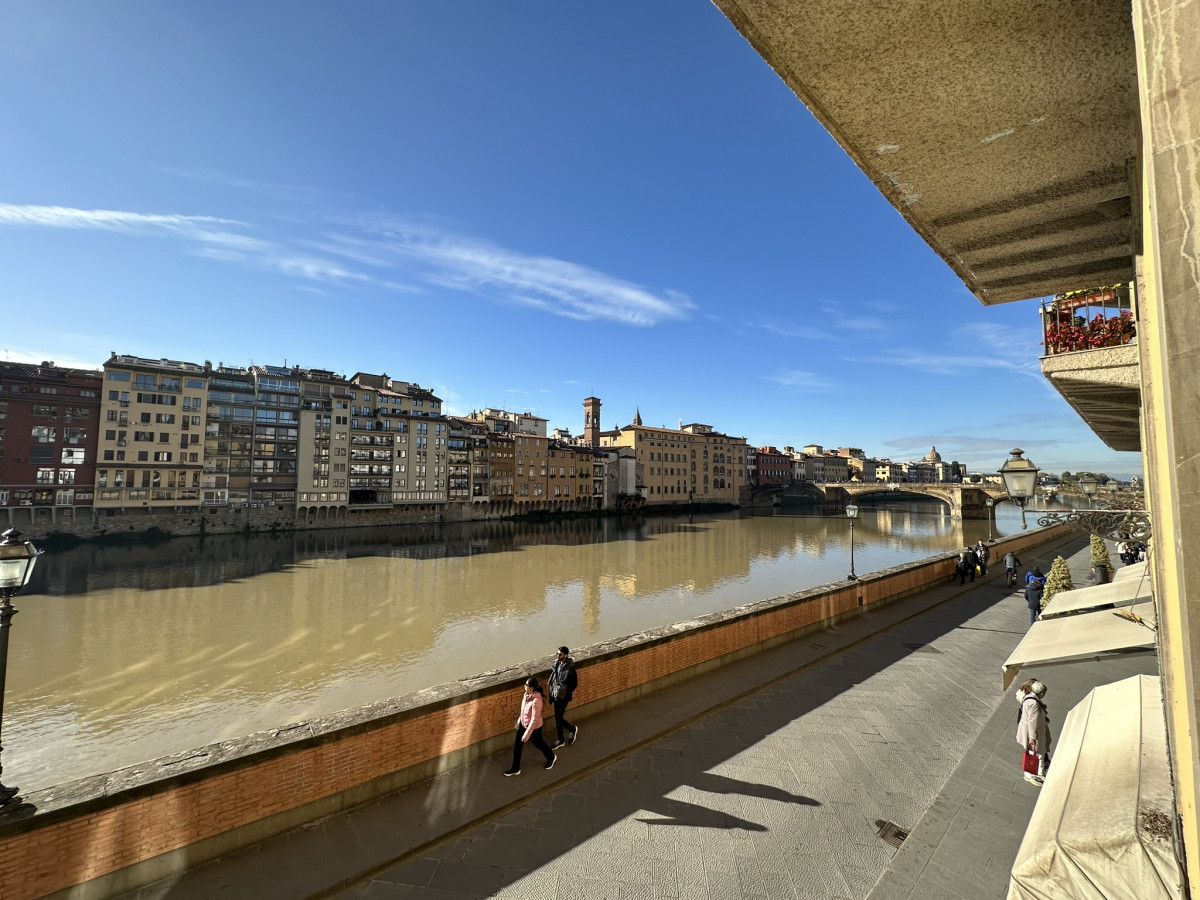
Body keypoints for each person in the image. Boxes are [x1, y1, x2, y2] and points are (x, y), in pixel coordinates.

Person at [503, 676, 556, 776]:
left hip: (534, 728)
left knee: (538, 744)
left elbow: (534, 720)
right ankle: (515, 768)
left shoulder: (537, 701)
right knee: (517, 747)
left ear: (531, 687)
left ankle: (551, 757)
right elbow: (523, 711)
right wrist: (519, 721)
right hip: (523, 725)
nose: (524, 686)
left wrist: (526, 734)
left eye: (526, 685)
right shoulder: (526, 696)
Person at [1016, 679, 1052, 785]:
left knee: (1038, 752)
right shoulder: (1034, 704)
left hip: (1031, 730)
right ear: (1040, 693)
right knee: (1035, 753)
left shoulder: (1029, 697)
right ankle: (1030, 774)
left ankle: (1039, 772)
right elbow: (1032, 721)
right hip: (1034, 732)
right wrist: (1032, 737)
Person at [548, 646, 579, 749]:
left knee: (559, 718)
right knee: (557, 718)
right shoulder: (557, 664)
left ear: (566, 655)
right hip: (556, 694)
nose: (558, 656)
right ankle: (560, 739)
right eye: (557, 654)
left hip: (563, 696)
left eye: (560, 654)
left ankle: (572, 729)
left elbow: (574, 684)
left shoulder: (571, 668)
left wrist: (564, 691)